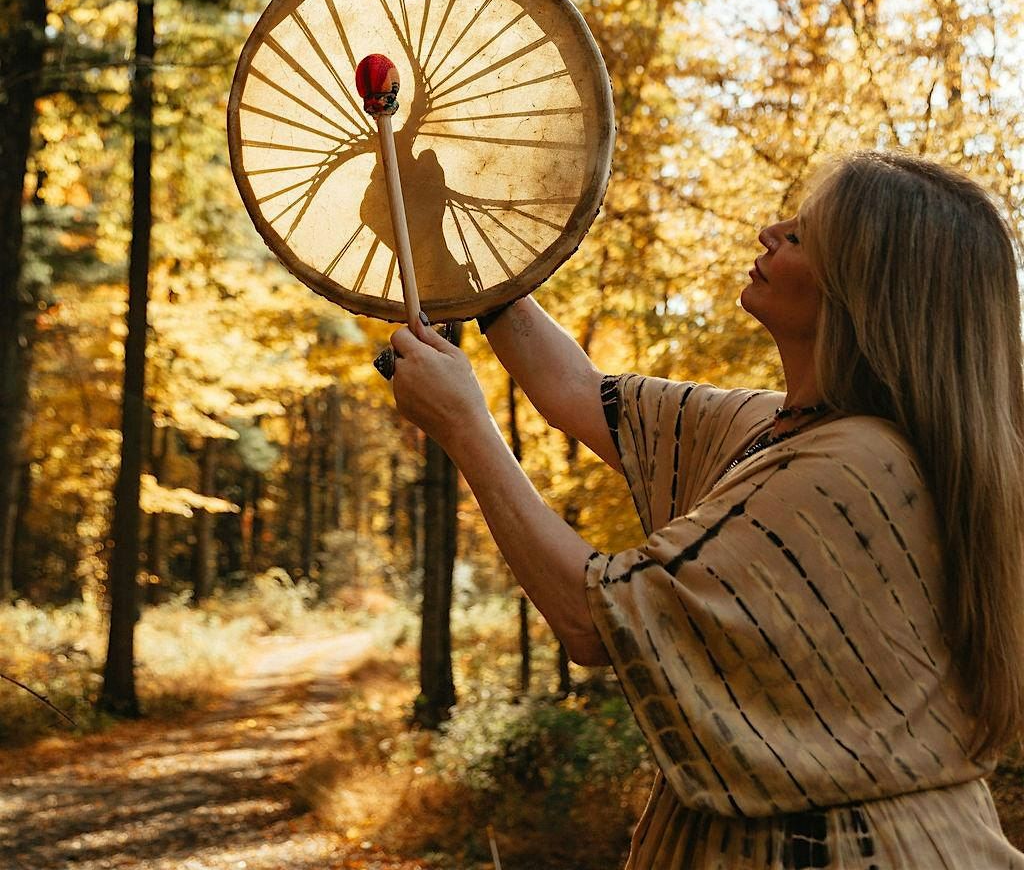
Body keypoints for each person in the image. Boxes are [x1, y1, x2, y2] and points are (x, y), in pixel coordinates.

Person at [387, 150, 1024, 868]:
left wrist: (465, 426)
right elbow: (578, 392)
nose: (768, 230)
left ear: (866, 291)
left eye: (803, 236)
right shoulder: (779, 426)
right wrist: (444, 232)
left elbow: (595, 622)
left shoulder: (856, 468)